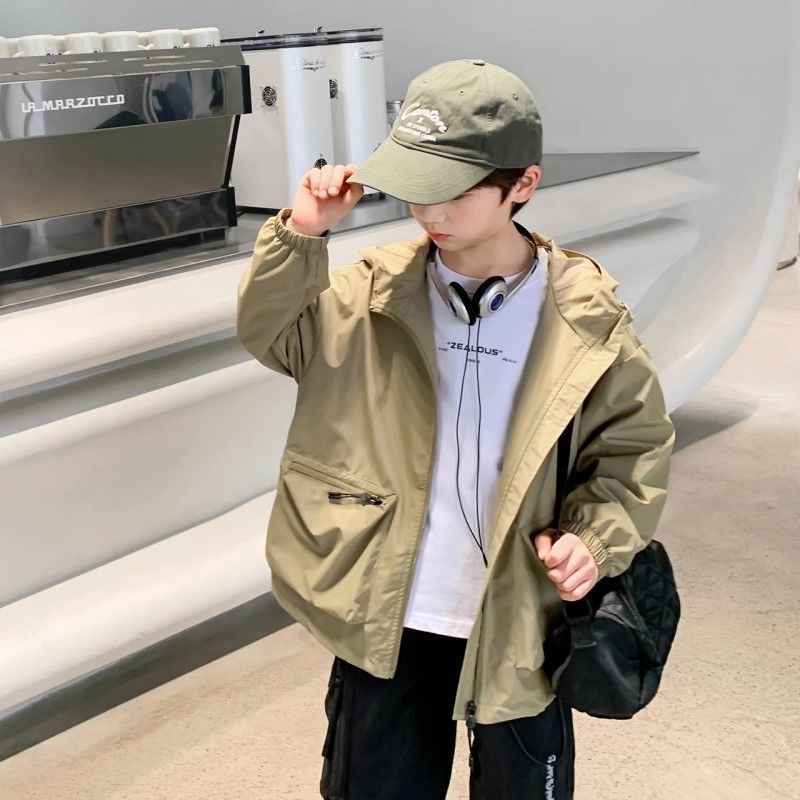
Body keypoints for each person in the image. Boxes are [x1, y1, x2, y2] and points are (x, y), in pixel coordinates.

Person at [236, 58, 675, 800]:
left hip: (521, 615)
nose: (429, 211)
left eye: (454, 192)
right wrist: (301, 235)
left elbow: (631, 452)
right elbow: (275, 336)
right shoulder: (370, 292)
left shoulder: (586, 319)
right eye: (417, 187)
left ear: (522, 185)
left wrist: (593, 540)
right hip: (389, 609)